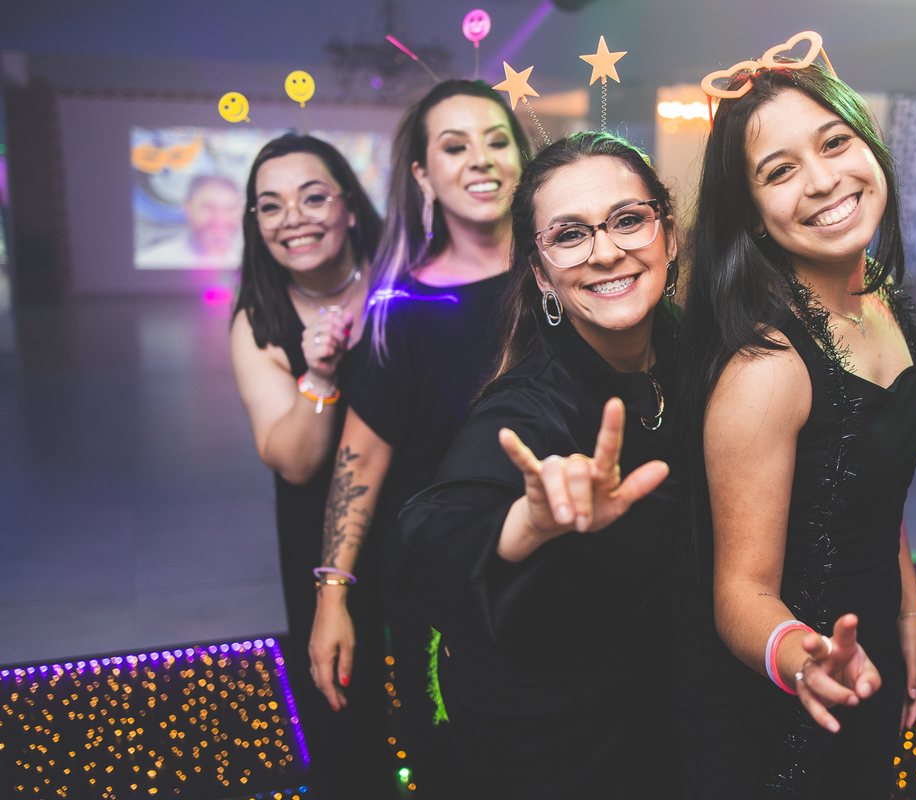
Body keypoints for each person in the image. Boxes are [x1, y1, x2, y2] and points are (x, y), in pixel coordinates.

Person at [389, 132, 684, 798]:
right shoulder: (527, 404)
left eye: (628, 220)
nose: (606, 251)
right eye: (571, 235)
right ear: (542, 273)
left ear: (668, 235)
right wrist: (527, 521)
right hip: (553, 741)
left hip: (658, 701)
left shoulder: (693, 348)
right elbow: (428, 534)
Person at [675, 51, 916, 797]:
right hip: (784, 700)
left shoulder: (881, 299)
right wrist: (804, 660)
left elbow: (874, 480)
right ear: (751, 215)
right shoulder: (768, 367)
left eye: (834, 142)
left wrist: (906, 611)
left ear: (870, 146)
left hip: (868, 652)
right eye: (779, 171)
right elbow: (739, 593)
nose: (821, 180)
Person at [307, 79, 530, 792]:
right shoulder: (400, 307)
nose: (481, 160)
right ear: (423, 176)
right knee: (456, 767)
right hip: (445, 591)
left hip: (565, 571)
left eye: (497, 141)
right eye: (455, 147)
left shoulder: (568, 275)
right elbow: (359, 461)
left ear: (521, 159)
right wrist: (332, 597)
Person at [229, 134, 390, 796]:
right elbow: (293, 463)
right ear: (257, 224)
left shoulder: (405, 280)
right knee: (344, 708)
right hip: (321, 532)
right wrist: (319, 375)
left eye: (313, 197)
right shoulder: (260, 320)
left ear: (348, 206)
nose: (292, 217)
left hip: (419, 508)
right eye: (271, 206)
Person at [140, 175, 244, 268]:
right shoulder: (152, 261)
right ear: (188, 208)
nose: (219, 218)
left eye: (230, 209)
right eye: (208, 208)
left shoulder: (248, 260)